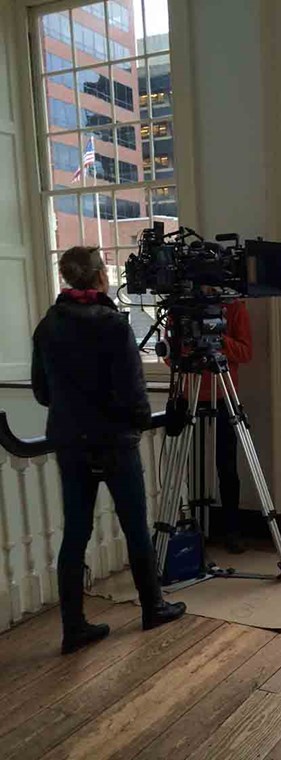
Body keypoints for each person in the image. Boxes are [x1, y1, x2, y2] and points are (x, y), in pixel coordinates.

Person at [31, 246, 186, 655]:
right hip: (115, 440)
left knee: (75, 532)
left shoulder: (48, 326)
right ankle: (153, 607)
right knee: (135, 525)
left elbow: (42, 392)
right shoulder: (114, 325)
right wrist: (139, 422)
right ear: (100, 277)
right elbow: (134, 393)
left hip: (70, 441)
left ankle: (73, 627)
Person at [179, 290, 252, 553]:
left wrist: (217, 339)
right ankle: (189, 527)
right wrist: (189, 342)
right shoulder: (181, 307)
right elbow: (170, 356)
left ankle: (232, 529)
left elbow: (245, 353)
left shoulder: (234, 308)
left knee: (227, 464)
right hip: (191, 393)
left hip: (224, 394)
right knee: (186, 463)